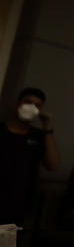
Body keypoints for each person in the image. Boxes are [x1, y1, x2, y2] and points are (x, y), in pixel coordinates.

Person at [0, 87, 59, 226]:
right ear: (17, 104)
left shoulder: (38, 136)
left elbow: (53, 165)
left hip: (16, 206)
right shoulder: (0, 130)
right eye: (28, 102)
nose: (31, 107)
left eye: (37, 105)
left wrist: (47, 127)